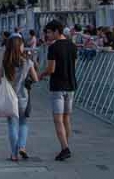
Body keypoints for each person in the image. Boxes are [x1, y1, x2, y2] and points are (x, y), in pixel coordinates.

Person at [38, 20, 77, 162]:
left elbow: (51, 69)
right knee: (67, 118)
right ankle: (65, 145)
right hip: (71, 85)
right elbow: (74, 65)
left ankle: (65, 148)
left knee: (58, 119)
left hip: (58, 86)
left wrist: (41, 74)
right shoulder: (73, 46)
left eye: (48, 32)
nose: (47, 35)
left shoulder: (53, 48)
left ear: (56, 31)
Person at [0, 34, 38, 162]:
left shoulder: (5, 62)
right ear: (19, 47)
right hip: (23, 98)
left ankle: (14, 154)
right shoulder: (27, 62)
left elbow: (0, 79)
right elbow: (36, 79)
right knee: (23, 123)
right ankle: (22, 146)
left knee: (12, 125)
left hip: (10, 98)